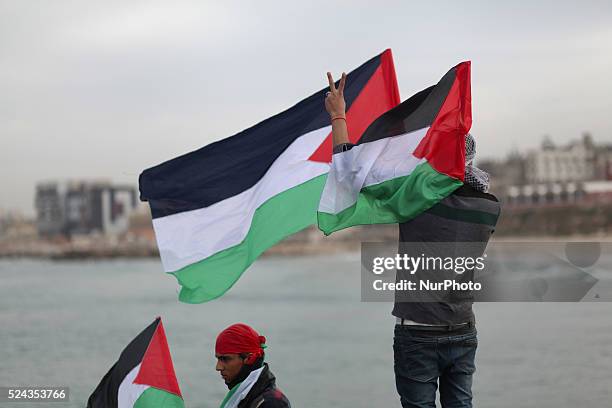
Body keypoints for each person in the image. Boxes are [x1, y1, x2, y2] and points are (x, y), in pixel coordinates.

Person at [325, 72, 500, 408]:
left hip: (418, 332)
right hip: (463, 328)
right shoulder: (489, 208)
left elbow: (349, 176)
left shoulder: (418, 200)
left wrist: (338, 115)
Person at [215, 323, 291, 408]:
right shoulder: (244, 395)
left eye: (225, 359)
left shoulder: (272, 403)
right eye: (218, 359)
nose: (218, 367)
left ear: (249, 358)